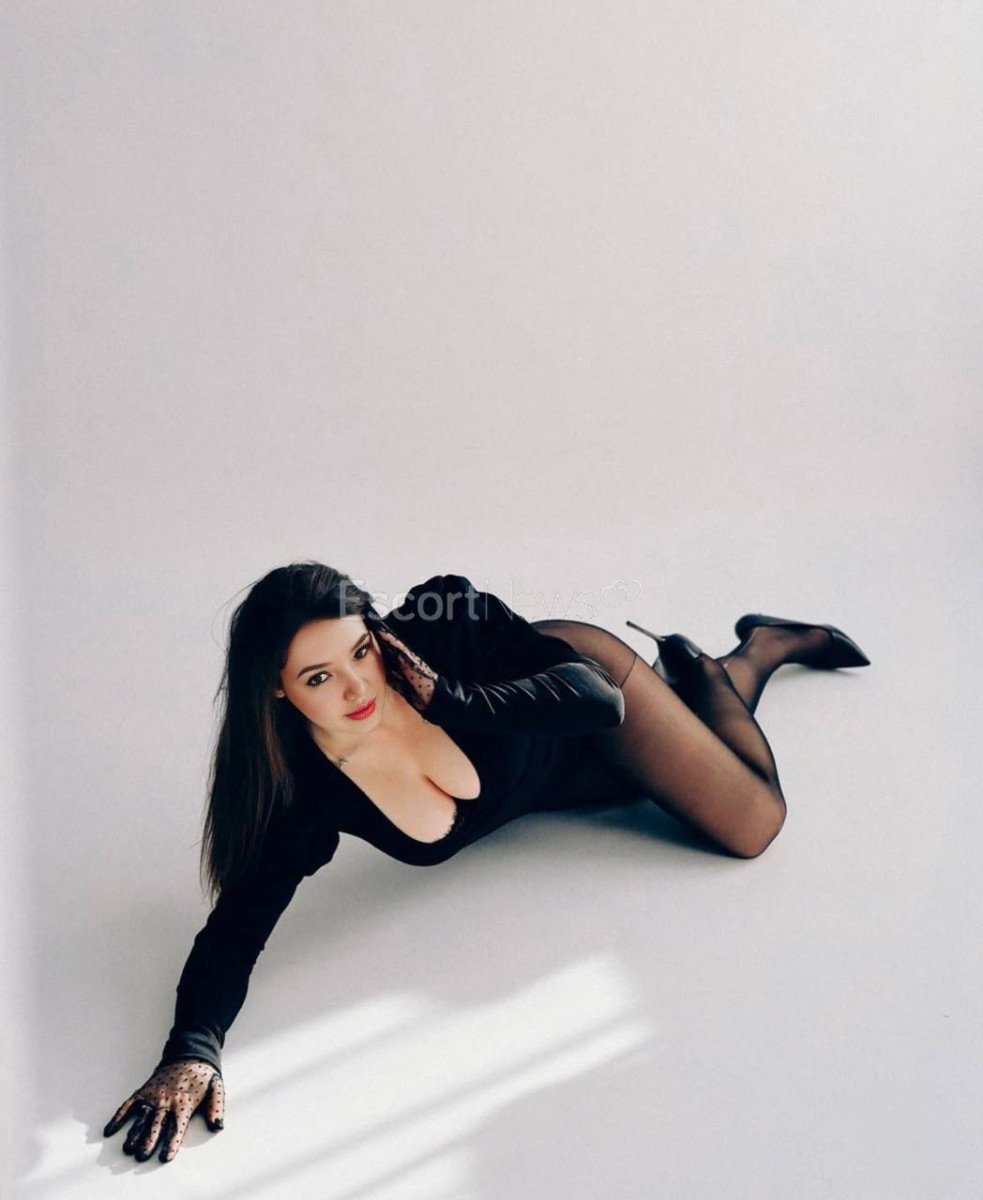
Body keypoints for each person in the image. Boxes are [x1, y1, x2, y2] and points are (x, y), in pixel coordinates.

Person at [103, 565, 870, 1163]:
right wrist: (191, 1051)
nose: (357, 686)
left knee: (752, 822)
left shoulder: (447, 628)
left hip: (573, 699)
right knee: (672, 782)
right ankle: (696, 678)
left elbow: (596, 702)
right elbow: (236, 929)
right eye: (318, 678)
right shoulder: (303, 792)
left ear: (375, 633)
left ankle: (745, 654)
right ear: (275, 689)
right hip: (550, 786)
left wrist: (449, 699)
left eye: (360, 651)